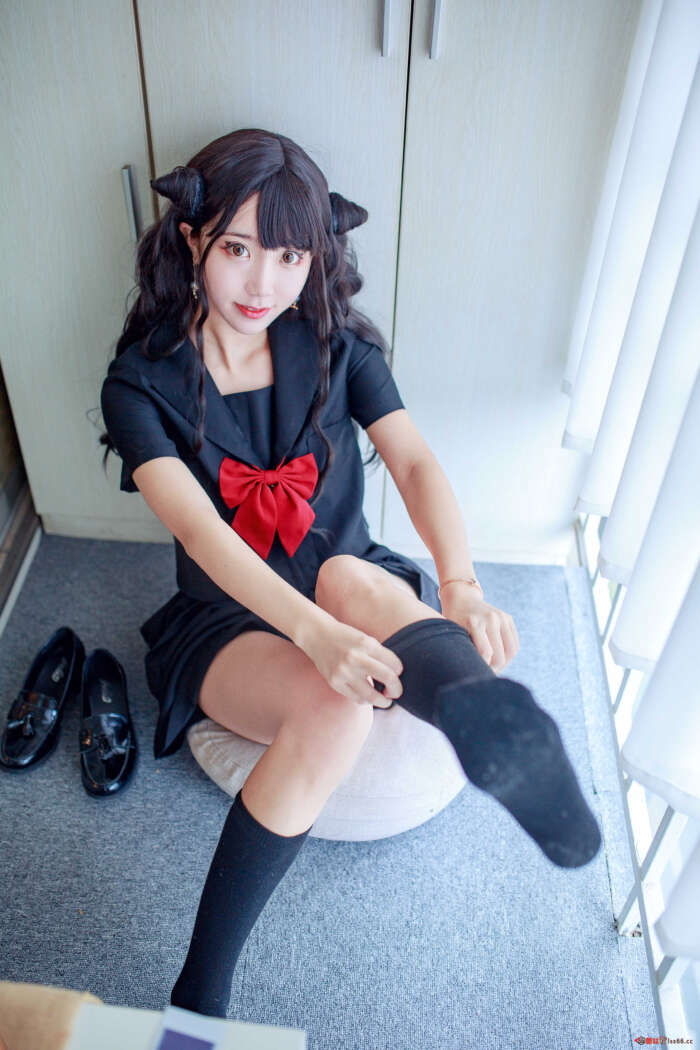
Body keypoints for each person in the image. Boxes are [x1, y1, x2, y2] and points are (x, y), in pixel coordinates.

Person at [99, 127, 601, 1019]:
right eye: (238, 249)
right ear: (192, 237)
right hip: (227, 617)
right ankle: (199, 998)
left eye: (289, 256)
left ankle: (490, 717)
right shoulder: (140, 382)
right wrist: (316, 637)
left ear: (315, 259)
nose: (262, 283)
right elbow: (202, 534)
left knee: (352, 578)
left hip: (345, 574)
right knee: (333, 705)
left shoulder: (335, 346)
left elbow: (413, 461)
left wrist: (462, 585)